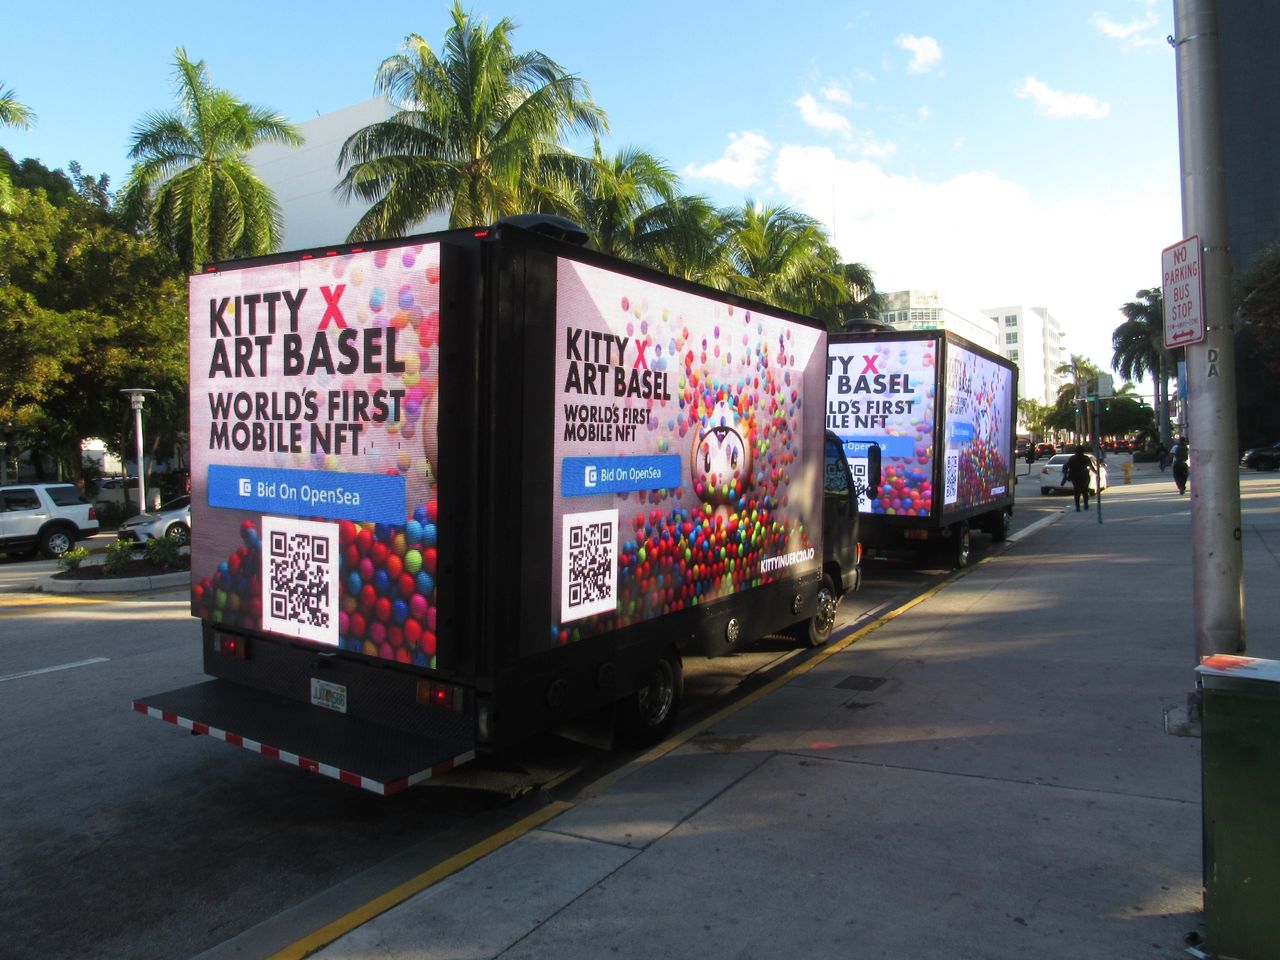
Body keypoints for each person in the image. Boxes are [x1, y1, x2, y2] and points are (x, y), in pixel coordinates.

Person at [1063, 445, 1093, 511]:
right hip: (1084, 476)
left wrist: (1065, 475)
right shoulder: (1086, 458)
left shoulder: (1072, 458)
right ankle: (1086, 506)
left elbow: (1066, 466)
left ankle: (1077, 507)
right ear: (1083, 451)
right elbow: (1091, 467)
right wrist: (1097, 473)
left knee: (1077, 492)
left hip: (1075, 477)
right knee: (1085, 491)